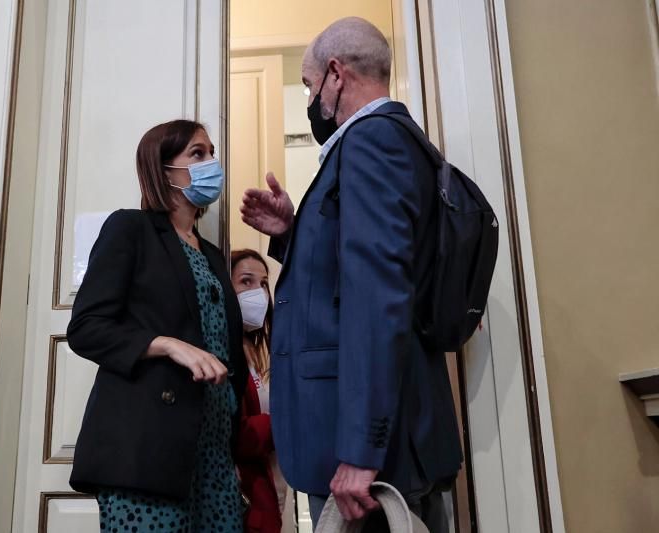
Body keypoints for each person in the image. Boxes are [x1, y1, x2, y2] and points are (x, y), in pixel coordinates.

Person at [240, 17, 462, 532]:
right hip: (374, 446)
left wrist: (362, 449)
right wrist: (292, 232)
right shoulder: (389, 142)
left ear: (335, 75)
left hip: (365, 462)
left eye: (307, 84)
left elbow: (377, 298)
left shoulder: (369, 143)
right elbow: (362, 270)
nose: (309, 97)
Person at [67, 119, 248, 533]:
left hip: (214, 453)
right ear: (162, 168)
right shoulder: (131, 229)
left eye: (211, 153)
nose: (211, 163)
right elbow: (87, 327)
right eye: (197, 154)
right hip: (147, 448)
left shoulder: (215, 256)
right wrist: (165, 344)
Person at [231, 249, 287, 533]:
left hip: (272, 487)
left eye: (263, 284)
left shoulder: (261, 354)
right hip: (247, 495)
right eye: (246, 281)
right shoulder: (223, 354)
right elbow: (235, 435)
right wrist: (285, 423)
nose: (258, 292)